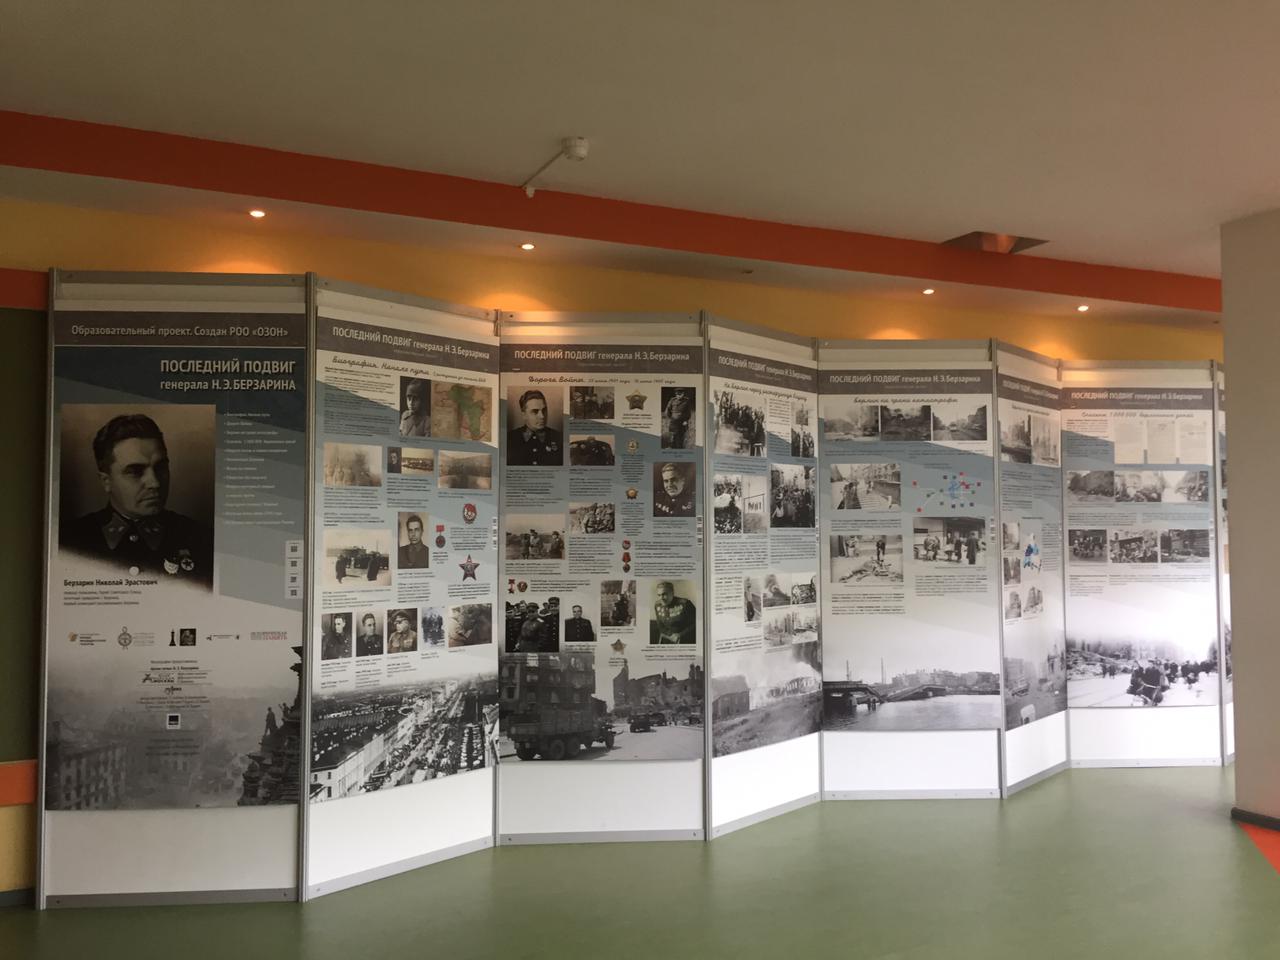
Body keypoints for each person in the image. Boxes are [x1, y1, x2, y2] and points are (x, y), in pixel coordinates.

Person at [61, 413, 213, 584]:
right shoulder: (67, 541)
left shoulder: (201, 538)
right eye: (135, 471)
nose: (155, 483)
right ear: (106, 481)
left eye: (160, 467)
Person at [507, 389, 562, 465]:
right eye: (535, 411)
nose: (542, 416)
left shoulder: (559, 438)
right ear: (524, 415)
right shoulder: (509, 439)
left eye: (544, 410)